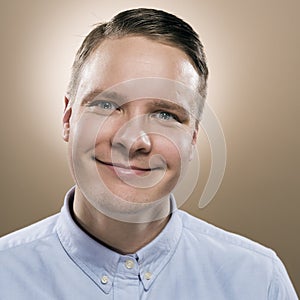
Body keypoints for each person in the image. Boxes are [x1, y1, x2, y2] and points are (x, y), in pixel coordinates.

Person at [0, 8, 297, 299]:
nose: (132, 140)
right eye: (106, 105)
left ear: (192, 137)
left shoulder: (258, 281)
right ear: (68, 118)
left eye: (165, 114)